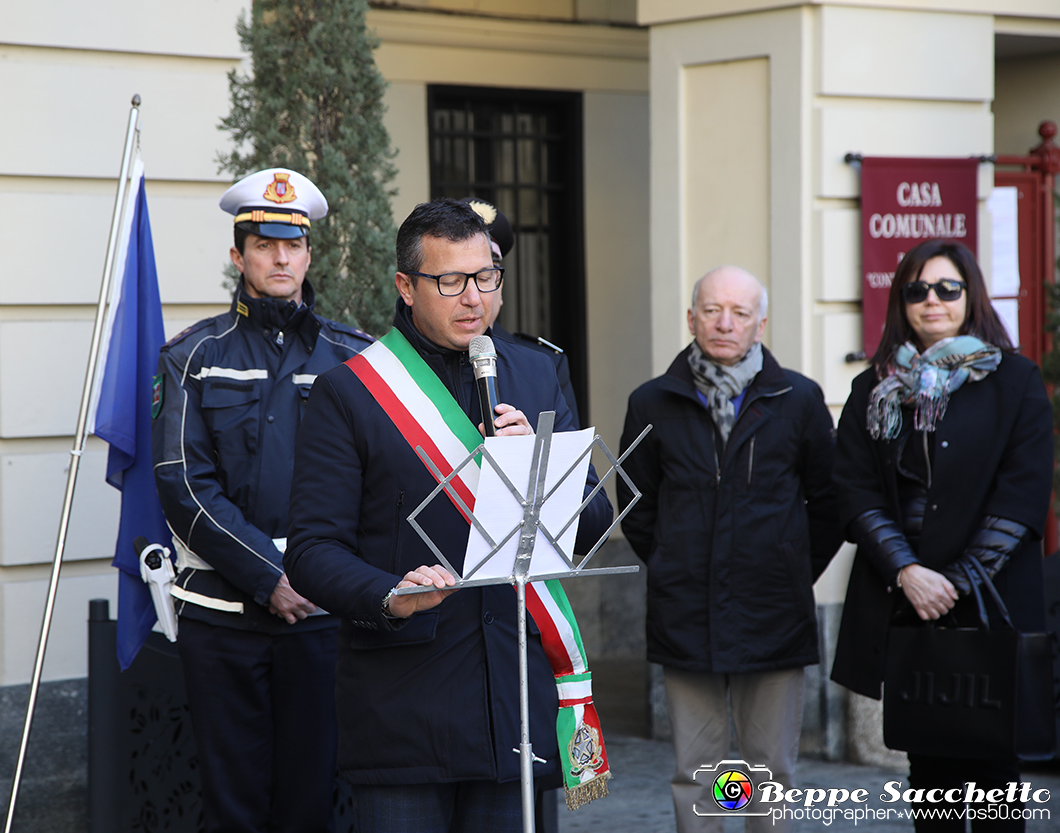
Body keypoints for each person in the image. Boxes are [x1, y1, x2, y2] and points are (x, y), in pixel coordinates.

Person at [284, 198, 614, 833]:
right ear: (407, 287)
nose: (475, 299)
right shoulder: (351, 392)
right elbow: (312, 550)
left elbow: (593, 520)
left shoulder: (539, 372)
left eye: (486, 277)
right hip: (408, 700)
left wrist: (537, 471)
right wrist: (386, 592)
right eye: (451, 281)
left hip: (516, 692)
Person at [151, 168, 373, 833]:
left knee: (312, 803)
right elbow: (183, 482)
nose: (281, 257)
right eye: (264, 243)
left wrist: (318, 576)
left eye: (293, 244)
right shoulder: (193, 356)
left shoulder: (354, 356)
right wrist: (269, 575)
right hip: (222, 617)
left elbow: (374, 477)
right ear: (238, 254)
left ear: (309, 253)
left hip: (323, 618)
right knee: (233, 808)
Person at [830, 239, 1052, 831]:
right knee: (930, 778)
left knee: (996, 781)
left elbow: (1022, 493)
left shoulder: (1016, 381)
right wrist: (906, 570)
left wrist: (950, 584)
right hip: (906, 604)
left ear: (969, 295)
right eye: (917, 290)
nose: (932, 301)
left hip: (988, 604)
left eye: (947, 288)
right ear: (901, 302)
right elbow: (854, 490)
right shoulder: (872, 389)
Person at [617, 265, 842, 833]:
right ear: (691, 318)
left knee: (768, 772)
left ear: (760, 323)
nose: (724, 323)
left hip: (773, 613)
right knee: (702, 773)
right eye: (712, 310)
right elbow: (636, 506)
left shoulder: (799, 399)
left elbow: (831, 503)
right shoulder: (652, 403)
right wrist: (673, 562)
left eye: (739, 313)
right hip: (686, 613)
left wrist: (791, 568)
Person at [458, 197, 580, 426]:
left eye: (485, 275)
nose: (472, 294)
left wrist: (529, 449)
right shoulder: (397, 364)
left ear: (499, 284)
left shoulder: (542, 364)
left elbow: (574, 459)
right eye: (454, 279)